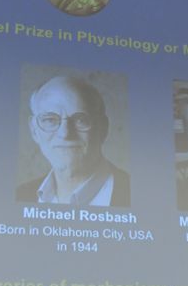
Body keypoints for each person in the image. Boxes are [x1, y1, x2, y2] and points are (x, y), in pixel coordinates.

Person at [16, 75, 130, 207]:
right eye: (50, 120)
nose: (65, 134)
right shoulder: (20, 194)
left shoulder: (135, 193)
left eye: (80, 119)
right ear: (34, 130)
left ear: (103, 128)